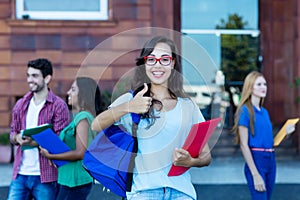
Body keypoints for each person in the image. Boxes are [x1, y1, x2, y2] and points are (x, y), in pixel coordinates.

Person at [91, 36, 211, 200]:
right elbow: (96, 124)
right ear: (144, 64)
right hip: (143, 192)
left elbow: (206, 156)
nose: (158, 65)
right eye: (151, 59)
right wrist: (128, 107)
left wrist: (190, 161)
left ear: (173, 63)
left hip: (181, 192)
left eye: (164, 59)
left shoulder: (188, 106)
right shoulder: (133, 99)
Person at [8, 58, 70, 200]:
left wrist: (35, 142)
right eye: (28, 75)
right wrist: (17, 138)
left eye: (35, 76)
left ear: (47, 78)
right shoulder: (21, 104)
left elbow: (61, 140)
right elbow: (13, 132)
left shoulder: (58, 106)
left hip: (46, 176)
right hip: (20, 174)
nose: (30, 80)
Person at [233, 71, 295, 200]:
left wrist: (286, 134)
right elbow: (244, 145)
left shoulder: (265, 112)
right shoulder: (244, 111)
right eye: (259, 84)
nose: (263, 87)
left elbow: (271, 142)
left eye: (265, 84)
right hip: (257, 159)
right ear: (250, 87)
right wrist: (255, 174)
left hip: (271, 159)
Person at [39, 77, 102, 200]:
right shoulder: (81, 117)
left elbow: (80, 153)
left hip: (75, 180)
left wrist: (51, 156)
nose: (68, 93)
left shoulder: (83, 117)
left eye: (73, 90)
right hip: (69, 179)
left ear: (83, 94)